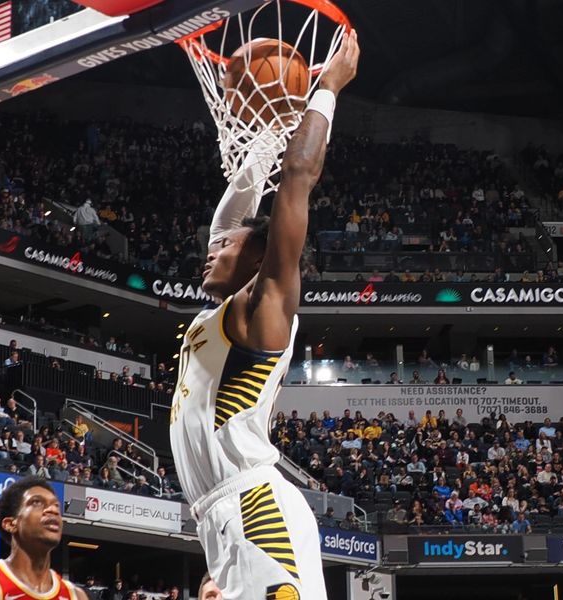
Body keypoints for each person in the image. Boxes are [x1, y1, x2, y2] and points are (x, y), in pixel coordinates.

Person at [168, 32, 359, 600]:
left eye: (225, 247)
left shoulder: (264, 307)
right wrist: (269, 126)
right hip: (218, 518)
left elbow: (297, 180)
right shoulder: (221, 310)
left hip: (256, 510)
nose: (212, 248)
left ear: (258, 258)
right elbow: (234, 214)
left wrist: (325, 90)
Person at [0, 477, 87, 600]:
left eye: (56, 505)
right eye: (36, 502)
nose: (53, 510)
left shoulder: (76, 595)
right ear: (10, 524)